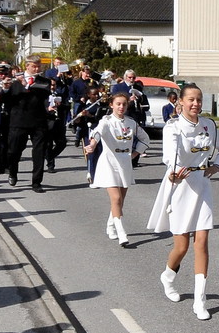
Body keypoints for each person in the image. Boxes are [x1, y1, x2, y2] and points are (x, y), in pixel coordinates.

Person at [147, 84, 219, 320]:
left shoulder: (209, 125)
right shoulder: (173, 127)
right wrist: (173, 173)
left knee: (202, 243)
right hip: (180, 186)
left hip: (202, 184)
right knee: (181, 247)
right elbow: (170, 156)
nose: (196, 104)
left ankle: (199, 301)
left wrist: (218, 166)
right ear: (181, 102)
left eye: (199, 99)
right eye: (191, 99)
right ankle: (168, 277)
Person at [84, 92, 150, 247]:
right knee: (116, 198)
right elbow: (97, 133)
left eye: (124, 104)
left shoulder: (131, 123)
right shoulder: (106, 121)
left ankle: (110, 225)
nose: (121, 107)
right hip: (109, 161)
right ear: (111, 105)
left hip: (125, 162)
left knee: (120, 201)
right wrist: (92, 145)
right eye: (118, 104)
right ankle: (122, 233)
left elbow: (145, 138)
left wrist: (135, 154)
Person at [1, 55, 52, 193]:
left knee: (39, 153)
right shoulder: (14, 81)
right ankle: (12, 172)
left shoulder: (44, 82)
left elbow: (43, 94)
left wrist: (26, 84)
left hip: (38, 122)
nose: (37, 69)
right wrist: (5, 88)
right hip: (18, 121)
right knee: (13, 151)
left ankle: (36, 182)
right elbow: (6, 100)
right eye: (34, 66)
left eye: (38, 66)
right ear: (27, 66)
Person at [73, 86, 108, 183]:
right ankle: (92, 175)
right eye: (94, 94)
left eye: (97, 94)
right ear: (88, 95)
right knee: (90, 154)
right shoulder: (83, 106)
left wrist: (90, 115)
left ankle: (100, 174)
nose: (96, 96)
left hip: (99, 132)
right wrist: (79, 117)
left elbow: (102, 118)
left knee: (100, 153)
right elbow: (77, 122)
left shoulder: (102, 105)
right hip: (87, 132)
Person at [44, 78, 69, 173]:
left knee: (62, 143)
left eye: (54, 85)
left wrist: (60, 105)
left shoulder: (60, 95)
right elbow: (38, 108)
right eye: (50, 85)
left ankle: (49, 156)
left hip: (59, 123)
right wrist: (47, 109)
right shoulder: (43, 96)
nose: (52, 87)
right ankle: (51, 165)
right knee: (48, 145)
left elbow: (67, 106)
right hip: (48, 123)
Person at [0, 63, 12, 174]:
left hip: (8, 116)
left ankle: (6, 165)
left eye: (5, 74)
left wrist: (7, 89)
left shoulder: (12, 84)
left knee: (8, 142)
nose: (3, 76)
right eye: (1, 73)